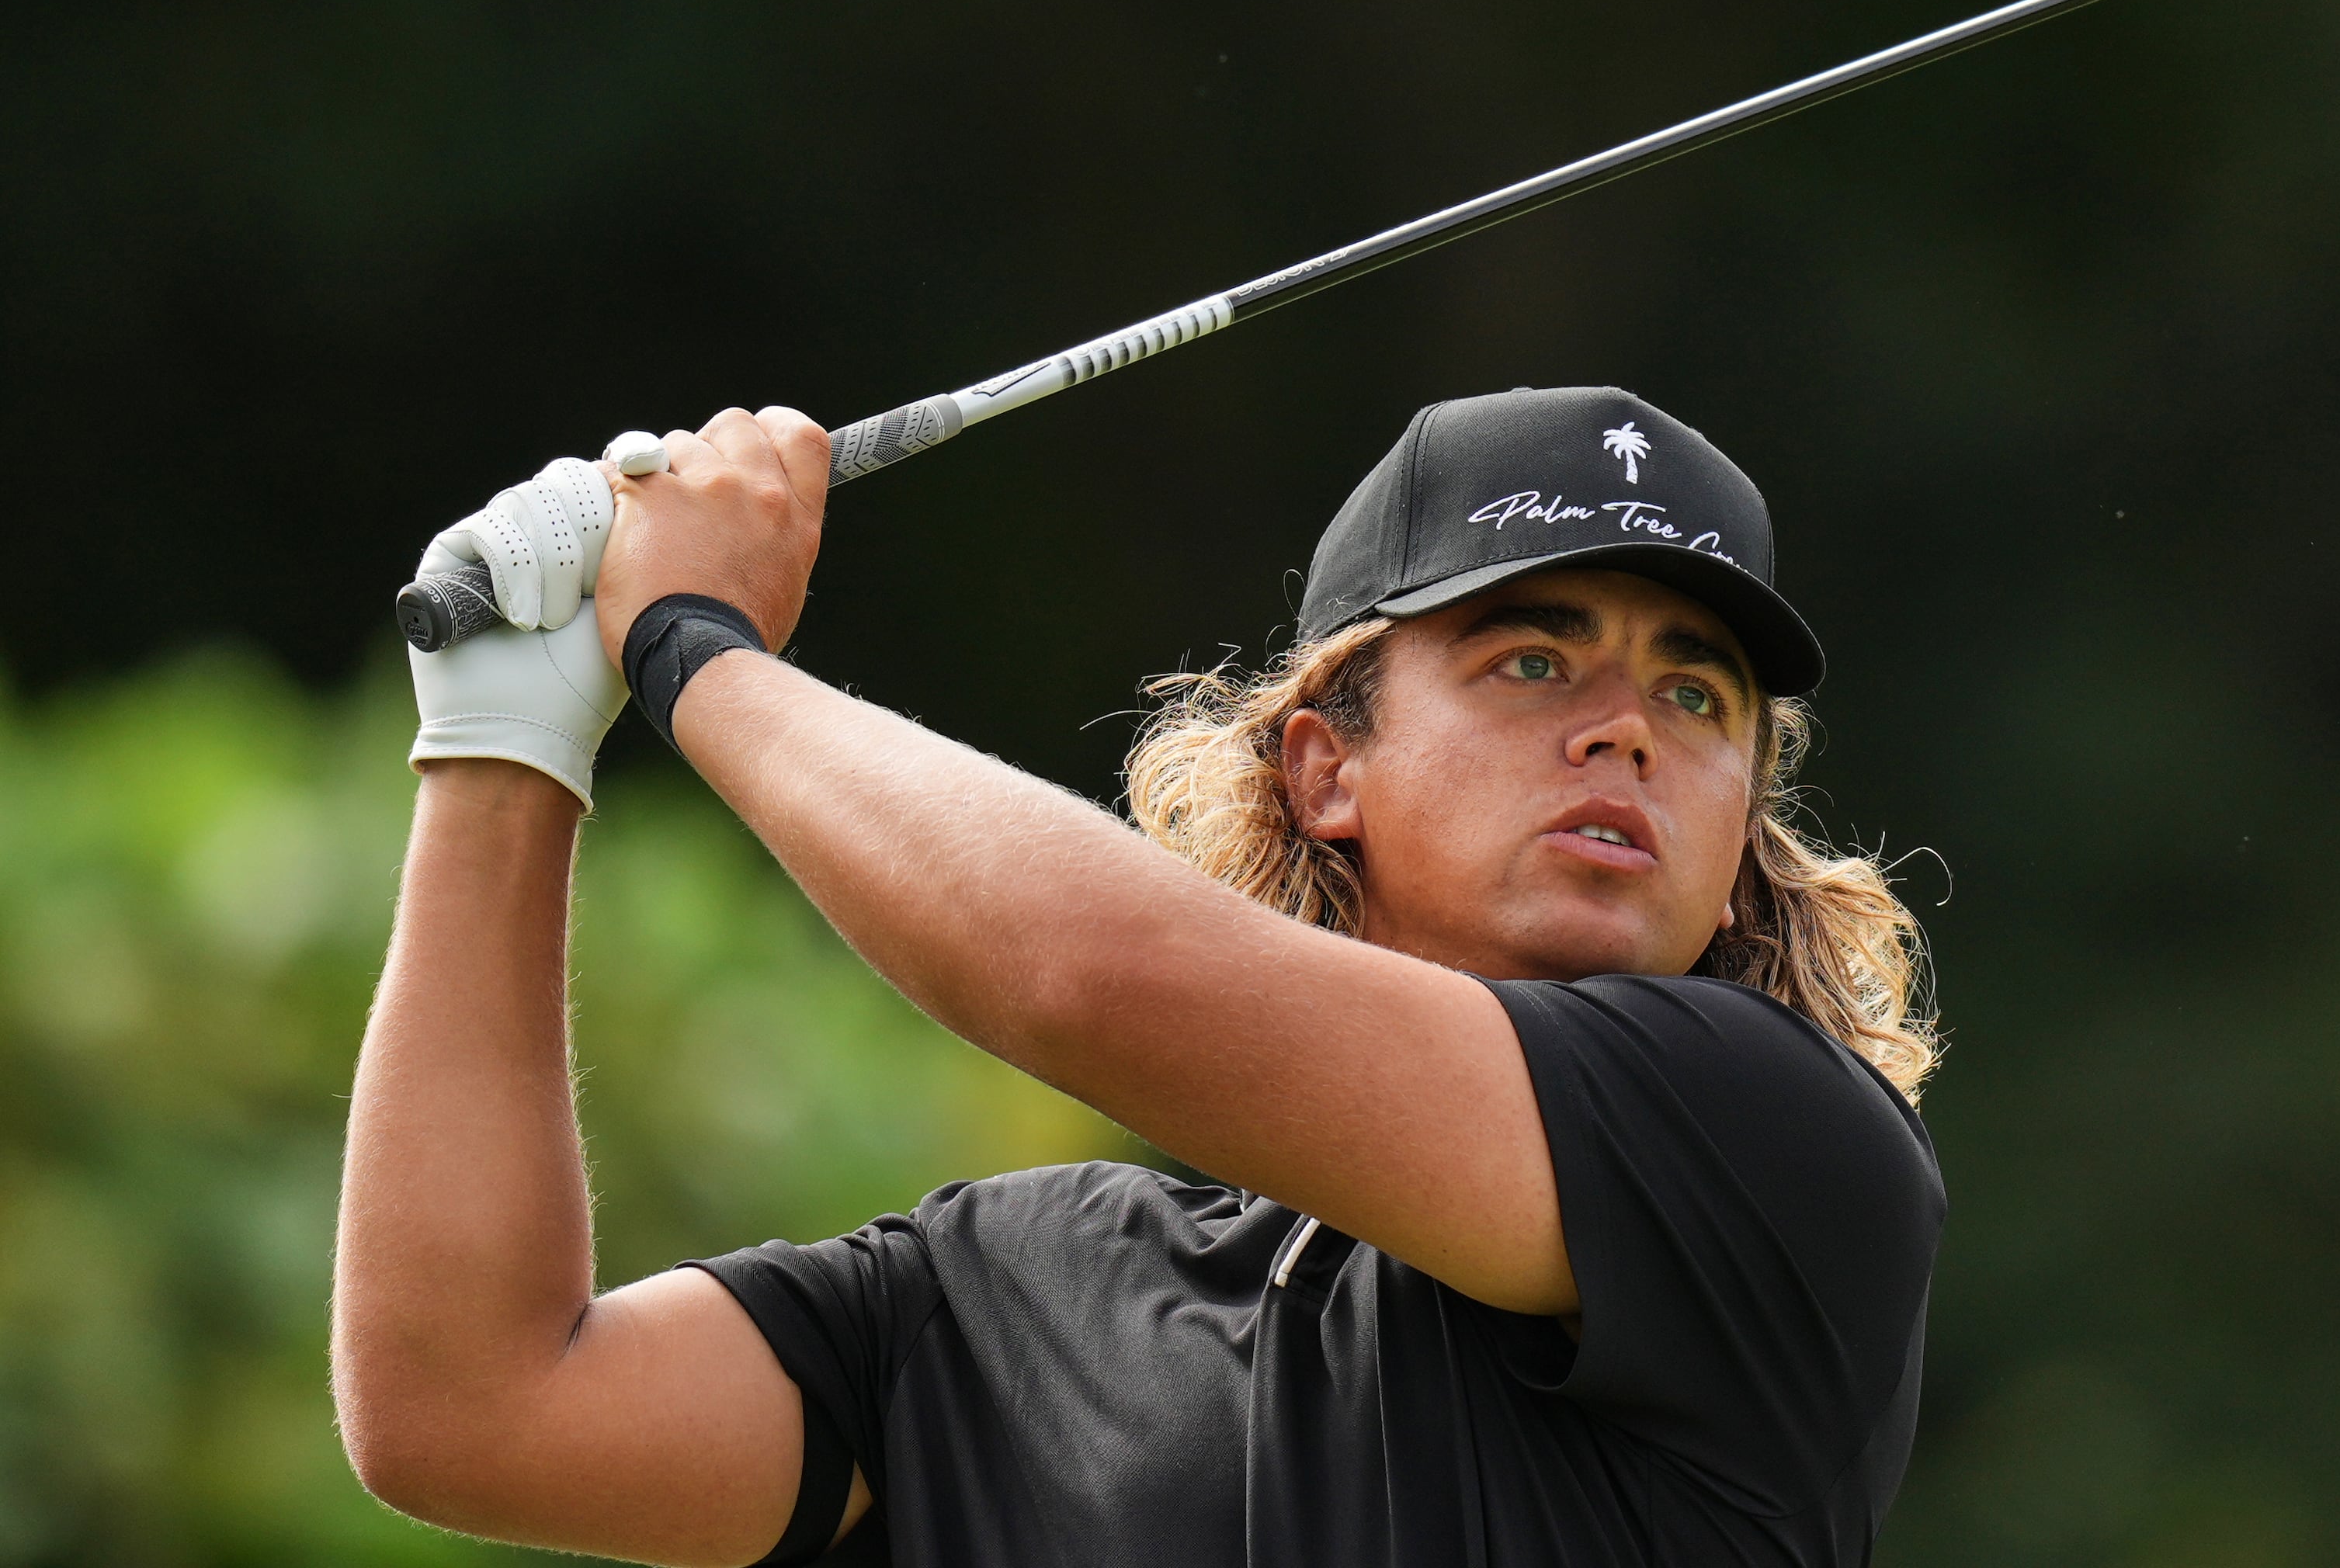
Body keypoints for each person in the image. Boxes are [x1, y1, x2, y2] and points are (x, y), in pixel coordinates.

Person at [334, 386, 1946, 1566]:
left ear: (1742, 830)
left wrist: (691, 646)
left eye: (1701, 697)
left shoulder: (1782, 1145)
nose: (1628, 727)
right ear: (1327, 771)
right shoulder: (1014, 1297)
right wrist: (501, 740)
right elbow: (472, 1405)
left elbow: (1079, 974)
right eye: (1534, 658)